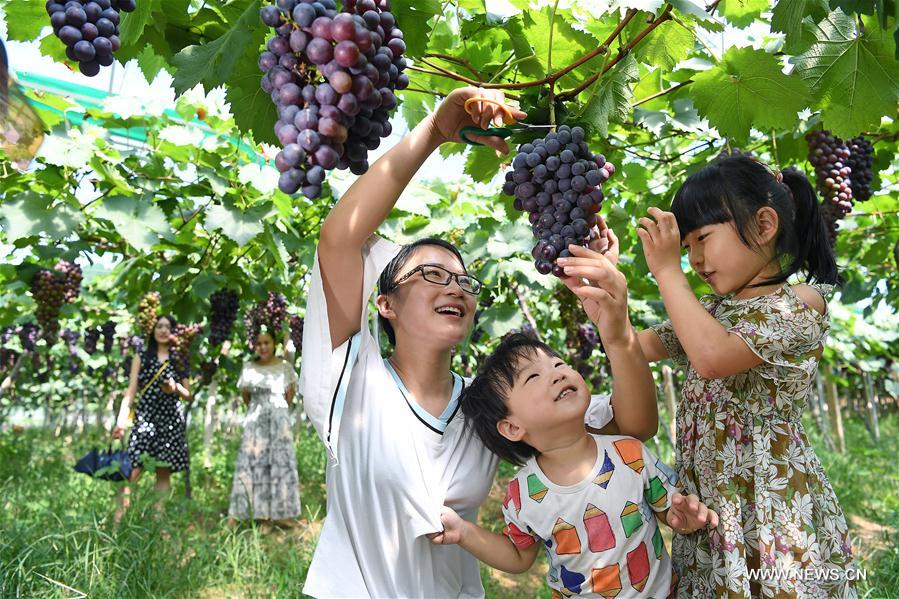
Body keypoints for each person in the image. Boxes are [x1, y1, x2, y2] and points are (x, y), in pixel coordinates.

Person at [299, 86, 659, 597]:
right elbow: (340, 237)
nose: (454, 288)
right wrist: (434, 132)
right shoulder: (352, 375)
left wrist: (615, 328)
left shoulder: (488, 406)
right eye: (431, 274)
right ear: (386, 304)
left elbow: (634, 426)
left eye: (464, 282)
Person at [559, 154, 855, 597]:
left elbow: (713, 358)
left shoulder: (800, 302)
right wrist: (607, 293)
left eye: (703, 238)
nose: (694, 259)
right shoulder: (713, 313)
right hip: (710, 512)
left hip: (771, 506)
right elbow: (634, 347)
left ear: (764, 225)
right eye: (686, 248)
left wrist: (665, 271)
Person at [434, 330, 719, 597]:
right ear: (511, 428)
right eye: (533, 376)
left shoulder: (629, 453)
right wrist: (464, 532)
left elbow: (669, 510)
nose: (557, 375)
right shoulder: (523, 495)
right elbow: (519, 555)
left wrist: (683, 518)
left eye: (558, 364)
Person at [113, 314, 191, 515]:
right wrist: (121, 422)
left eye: (168, 327)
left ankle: (158, 519)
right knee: (133, 468)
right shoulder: (141, 357)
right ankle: (118, 519)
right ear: (153, 331)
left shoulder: (180, 358)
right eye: (159, 326)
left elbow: (188, 394)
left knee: (163, 472)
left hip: (170, 420)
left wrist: (175, 388)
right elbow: (131, 391)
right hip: (146, 417)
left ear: (174, 332)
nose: (163, 330)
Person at [227, 327, 300, 525]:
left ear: (274, 343)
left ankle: (282, 514)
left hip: (279, 421)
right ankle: (261, 516)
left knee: (280, 464)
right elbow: (245, 395)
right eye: (258, 343)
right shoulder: (249, 367)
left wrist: (277, 412)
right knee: (254, 464)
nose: (262, 347)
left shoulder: (285, 367)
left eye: (266, 342)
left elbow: (290, 394)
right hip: (255, 422)